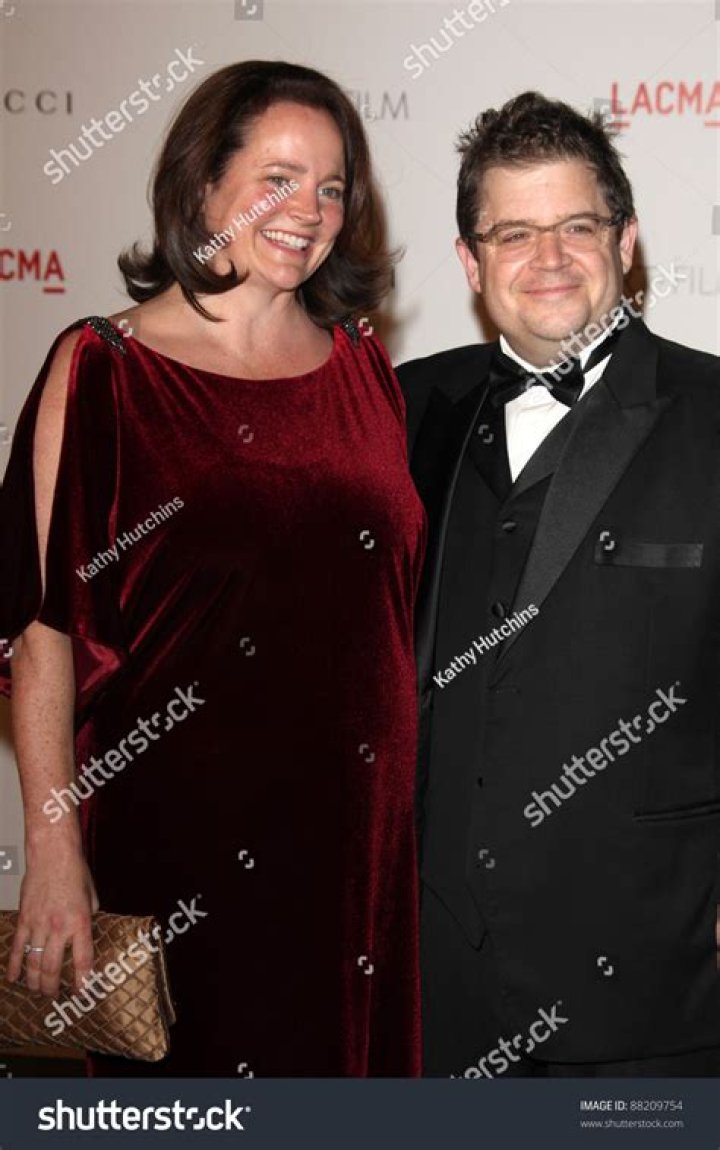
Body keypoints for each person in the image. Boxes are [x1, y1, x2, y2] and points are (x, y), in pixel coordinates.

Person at [0, 60, 425, 1076]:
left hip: (362, 845)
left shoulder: (363, 365)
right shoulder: (104, 368)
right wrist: (52, 850)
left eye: (331, 187)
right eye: (277, 178)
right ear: (202, 184)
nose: (309, 211)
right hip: (177, 831)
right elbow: (41, 629)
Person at [397, 91, 720, 1078]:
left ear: (626, 242)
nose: (548, 258)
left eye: (577, 226)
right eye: (513, 234)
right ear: (470, 263)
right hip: (435, 982)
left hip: (650, 978)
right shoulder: (403, 407)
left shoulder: (713, 413)